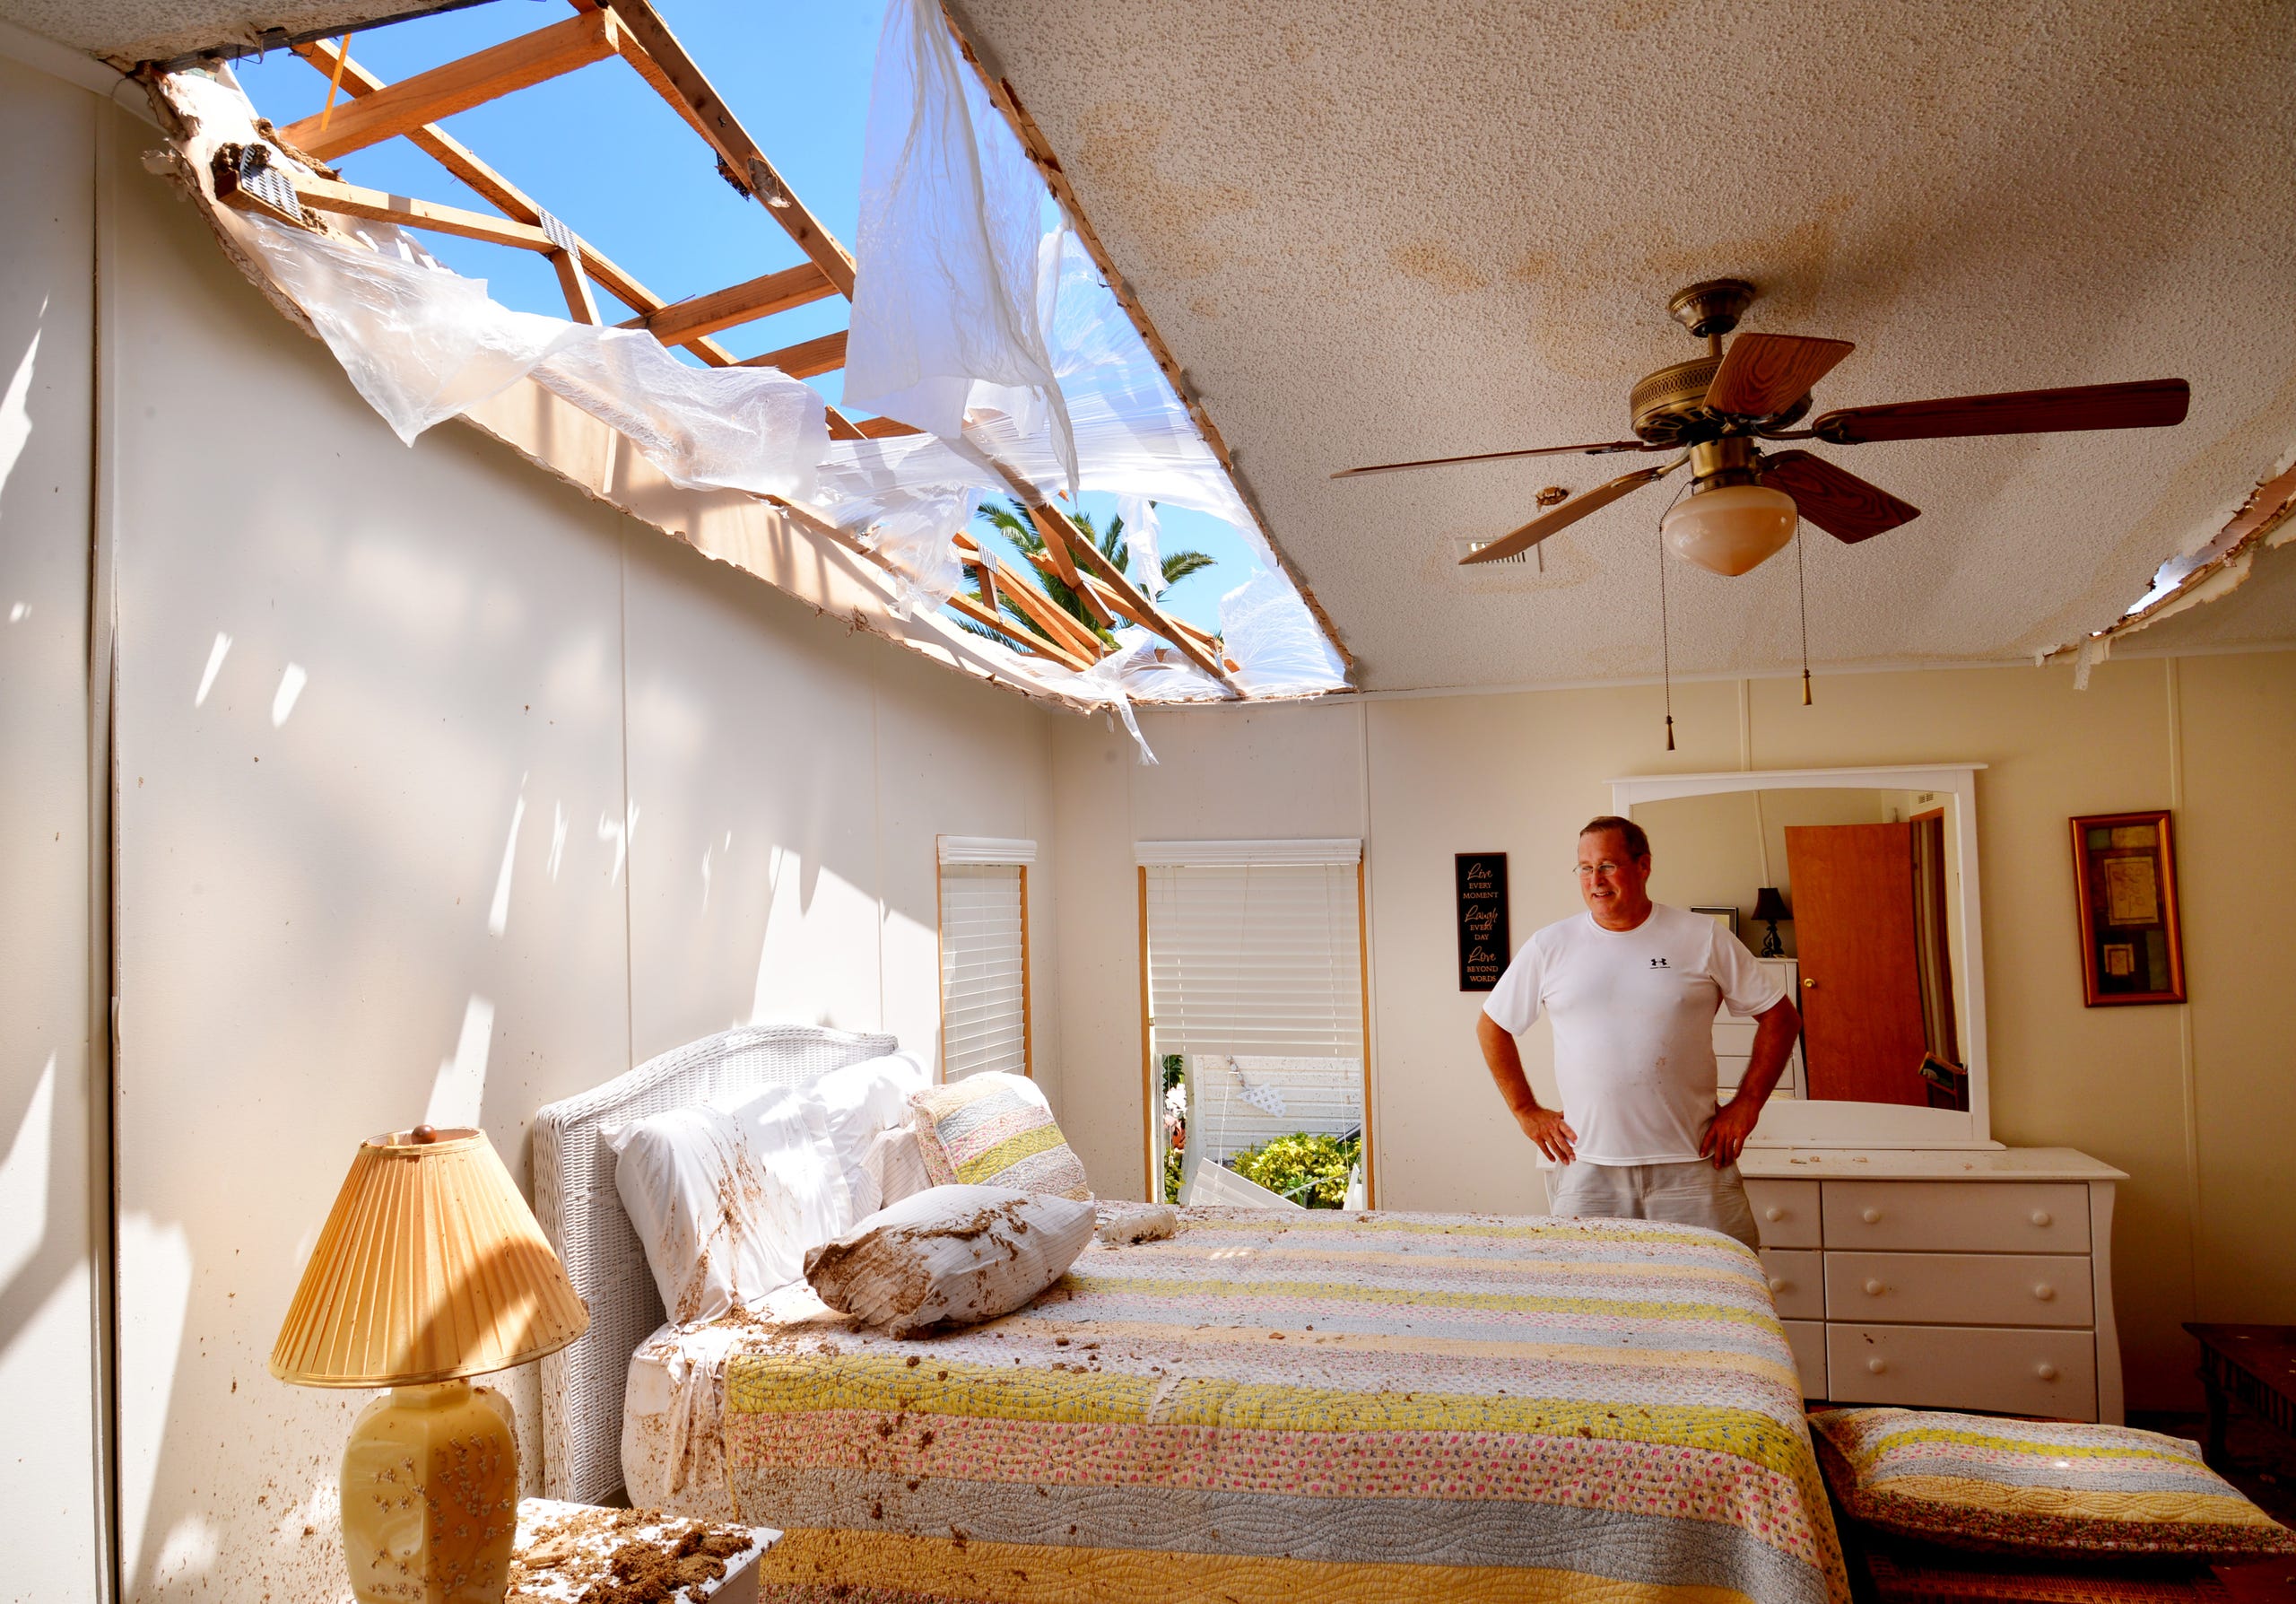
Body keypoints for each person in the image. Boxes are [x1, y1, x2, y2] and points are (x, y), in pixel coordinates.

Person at [1474, 815, 1802, 1250]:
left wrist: (1747, 1105)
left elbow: (1781, 1017)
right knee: (1589, 1304)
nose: (1596, 880)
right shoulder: (1550, 946)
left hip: (1693, 1164)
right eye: (1585, 868)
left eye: (1608, 865)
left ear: (1643, 866)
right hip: (1588, 1167)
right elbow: (1492, 1025)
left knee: (1720, 1297)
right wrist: (1524, 1109)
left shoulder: (1702, 937)